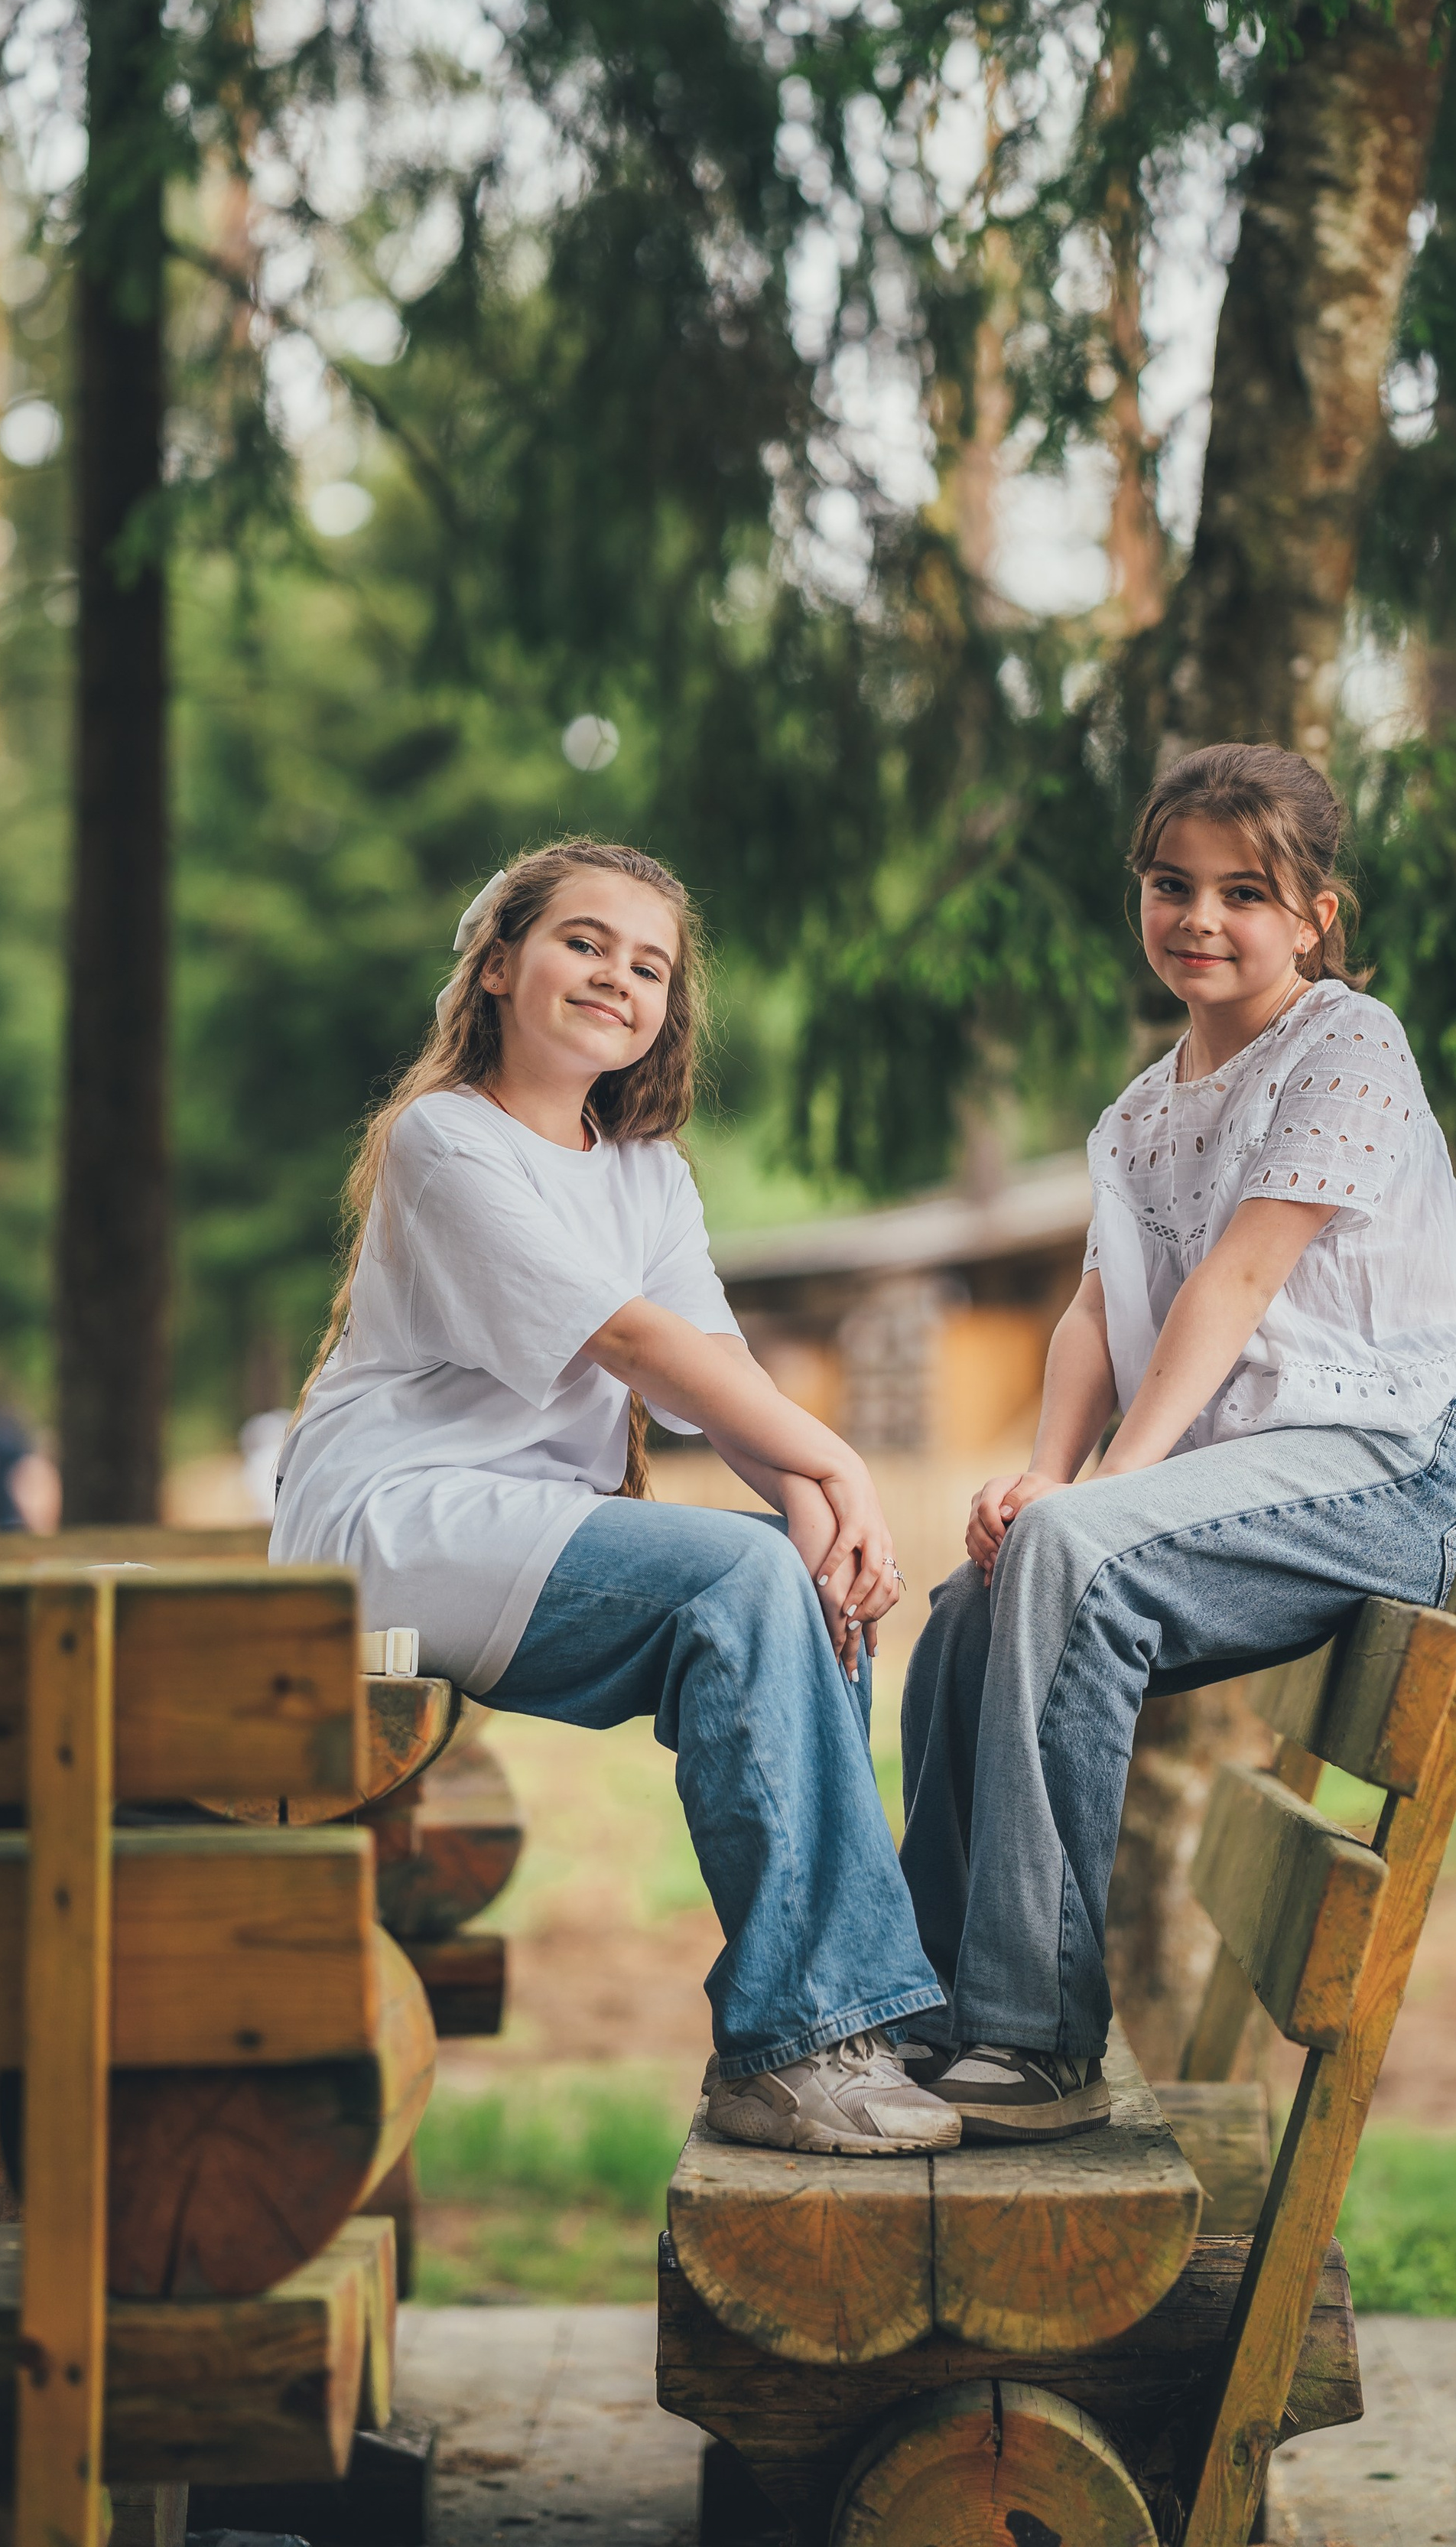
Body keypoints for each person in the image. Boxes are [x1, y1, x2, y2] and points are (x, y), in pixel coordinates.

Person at [272, 838, 960, 2156]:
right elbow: (634, 1343)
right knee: (745, 1571)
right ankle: (804, 2039)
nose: (616, 977)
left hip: (526, 1530)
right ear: (497, 965)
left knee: (795, 1570)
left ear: (665, 1011)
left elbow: (717, 1378)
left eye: (648, 966)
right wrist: (843, 1463)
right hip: (393, 1523)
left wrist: (816, 1508)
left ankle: (852, 2023)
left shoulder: (647, 1171)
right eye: (583, 942)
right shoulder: (444, 1138)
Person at [896, 744, 1456, 2141]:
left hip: (1403, 1462)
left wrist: (1103, 1495)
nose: (1201, 917)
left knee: (1068, 1554)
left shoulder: (1348, 1045)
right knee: (969, 1605)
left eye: (1246, 892)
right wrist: (1049, 1478)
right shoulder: (1137, 1113)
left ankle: (1035, 2042)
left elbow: (1237, 1280)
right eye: (1171, 884)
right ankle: (925, 2011)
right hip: (1271, 1478)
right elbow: (1094, 1313)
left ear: (1316, 919)